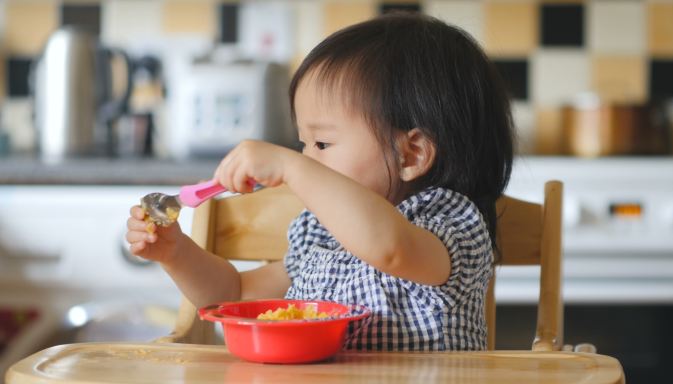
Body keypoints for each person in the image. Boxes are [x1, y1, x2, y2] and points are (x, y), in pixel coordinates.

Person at [126, 12, 513, 351]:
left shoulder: (452, 228)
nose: (308, 158)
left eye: (322, 143)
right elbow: (235, 294)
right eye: (302, 143)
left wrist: (291, 166)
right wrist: (175, 253)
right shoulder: (320, 233)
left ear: (411, 154)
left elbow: (389, 248)